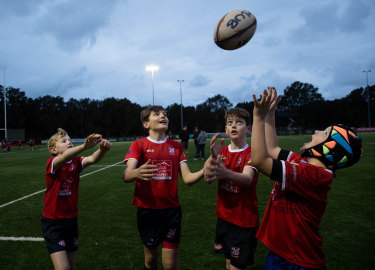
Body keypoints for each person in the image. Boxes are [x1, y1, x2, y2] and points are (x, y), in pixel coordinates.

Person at [251, 87, 363, 269]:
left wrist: (258, 117)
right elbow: (271, 149)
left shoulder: (314, 175)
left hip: (298, 261)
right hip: (280, 253)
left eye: (324, 133)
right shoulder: (304, 163)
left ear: (331, 148)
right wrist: (270, 113)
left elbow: (259, 160)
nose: (317, 131)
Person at [122, 105, 204, 270]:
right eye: (157, 114)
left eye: (165, 114)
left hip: (172, 211)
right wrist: (136, 172)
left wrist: (204, 170)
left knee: (171, 264)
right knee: (151, 259)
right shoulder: (139, 145)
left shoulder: (176, 146)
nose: (163, 116)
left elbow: (187, 179)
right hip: (148, 211)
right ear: (146, 124)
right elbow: (126, 174)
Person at [41, 128, 111, 270]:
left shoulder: (76, 161)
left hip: (71, 219)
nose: (69, 142)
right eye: (64, 141)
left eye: (70, 140)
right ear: (53, 150)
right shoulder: (53, 162)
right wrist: (84, 146)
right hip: (53, 221)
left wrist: (102, 150)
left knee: (71, 266)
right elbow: (63, 158)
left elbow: (92, 159)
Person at [203, 108, 260, 270]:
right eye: (230, 123)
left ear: (248, 129)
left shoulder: (253, 153)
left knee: (236, 266)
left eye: (239, 122)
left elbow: (247, 179)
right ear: (226, 129)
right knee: (228, 262)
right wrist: (213, 158)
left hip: (244, 221)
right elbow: (208, 179)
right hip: (224, 218)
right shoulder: (222, 152)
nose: (234, 126)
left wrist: (225, 172)